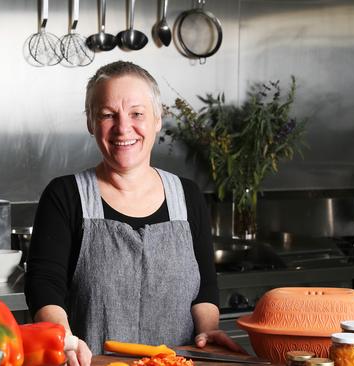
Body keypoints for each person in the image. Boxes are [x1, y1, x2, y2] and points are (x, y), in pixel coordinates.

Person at [24, 61, 243, 366]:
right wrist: (64, 340)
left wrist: (209, 333)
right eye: (107, 115)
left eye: (137, 113)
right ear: (91, 123)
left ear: (157, 119)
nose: (123, 128)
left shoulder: (188, 196)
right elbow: (44, 285)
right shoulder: (64, 196)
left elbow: (204, 288)